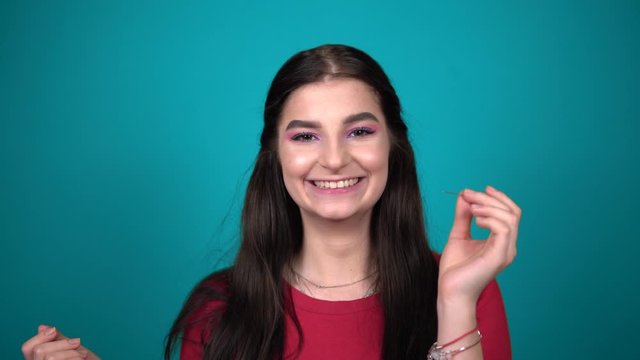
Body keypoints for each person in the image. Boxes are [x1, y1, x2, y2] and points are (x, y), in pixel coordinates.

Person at [22, 44, 520, 360]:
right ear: (275, 156)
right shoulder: (218, 308)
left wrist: (454, 302)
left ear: (393, 145)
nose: (333, 158)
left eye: (360, 131)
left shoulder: (466, 292)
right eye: (305, 136)